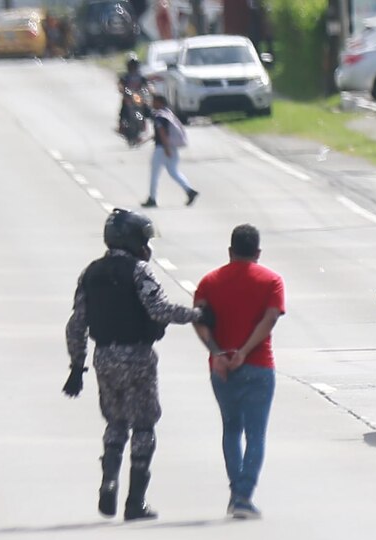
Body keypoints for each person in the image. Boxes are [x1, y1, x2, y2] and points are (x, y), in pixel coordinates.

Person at [63, 208, 214, 520]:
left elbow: (76, 324)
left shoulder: (90, 273)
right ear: (132, 241)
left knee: (116, 423)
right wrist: (197, 315)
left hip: (104, 357)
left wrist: (76, 368)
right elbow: (158, 310)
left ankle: (109, 481)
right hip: (138, 358)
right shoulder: (138, 271)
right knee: (143, 426)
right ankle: (135, 502)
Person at [193, 224, 285, 519]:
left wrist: (218, 353)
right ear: (257, 252)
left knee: (231, 430)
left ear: (230, 251)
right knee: (256, 434)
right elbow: (270, 319)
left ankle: (236, 492)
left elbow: (199, 319)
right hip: (259, 365)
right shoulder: (272, 281)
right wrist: (244, 352)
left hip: (221, 370)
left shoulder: (209, 281)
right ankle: (244, 496)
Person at [142, 95, 198, 208]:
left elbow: (162, 133)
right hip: (172, 147)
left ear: (159, 102)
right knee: (173, 171)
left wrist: (166, 148)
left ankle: (152, 198)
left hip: (162, 148)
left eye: (154, 101)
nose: (152, 103)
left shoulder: (159, 116)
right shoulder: (168, 114)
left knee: (154, 174)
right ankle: (189, 190)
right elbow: (162, 132)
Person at [118, 54, 151, 136]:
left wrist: (149, 90)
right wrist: (122, 89)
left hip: (139, 97)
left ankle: (144, 125)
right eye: (131, 65)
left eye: (134, 65)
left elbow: (147, 85)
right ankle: (121, 127)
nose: (133, 67)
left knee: (147, 109)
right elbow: (120, 85)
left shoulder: (141, 77)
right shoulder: (126, 77)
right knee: (123, 111)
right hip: (128, 98)